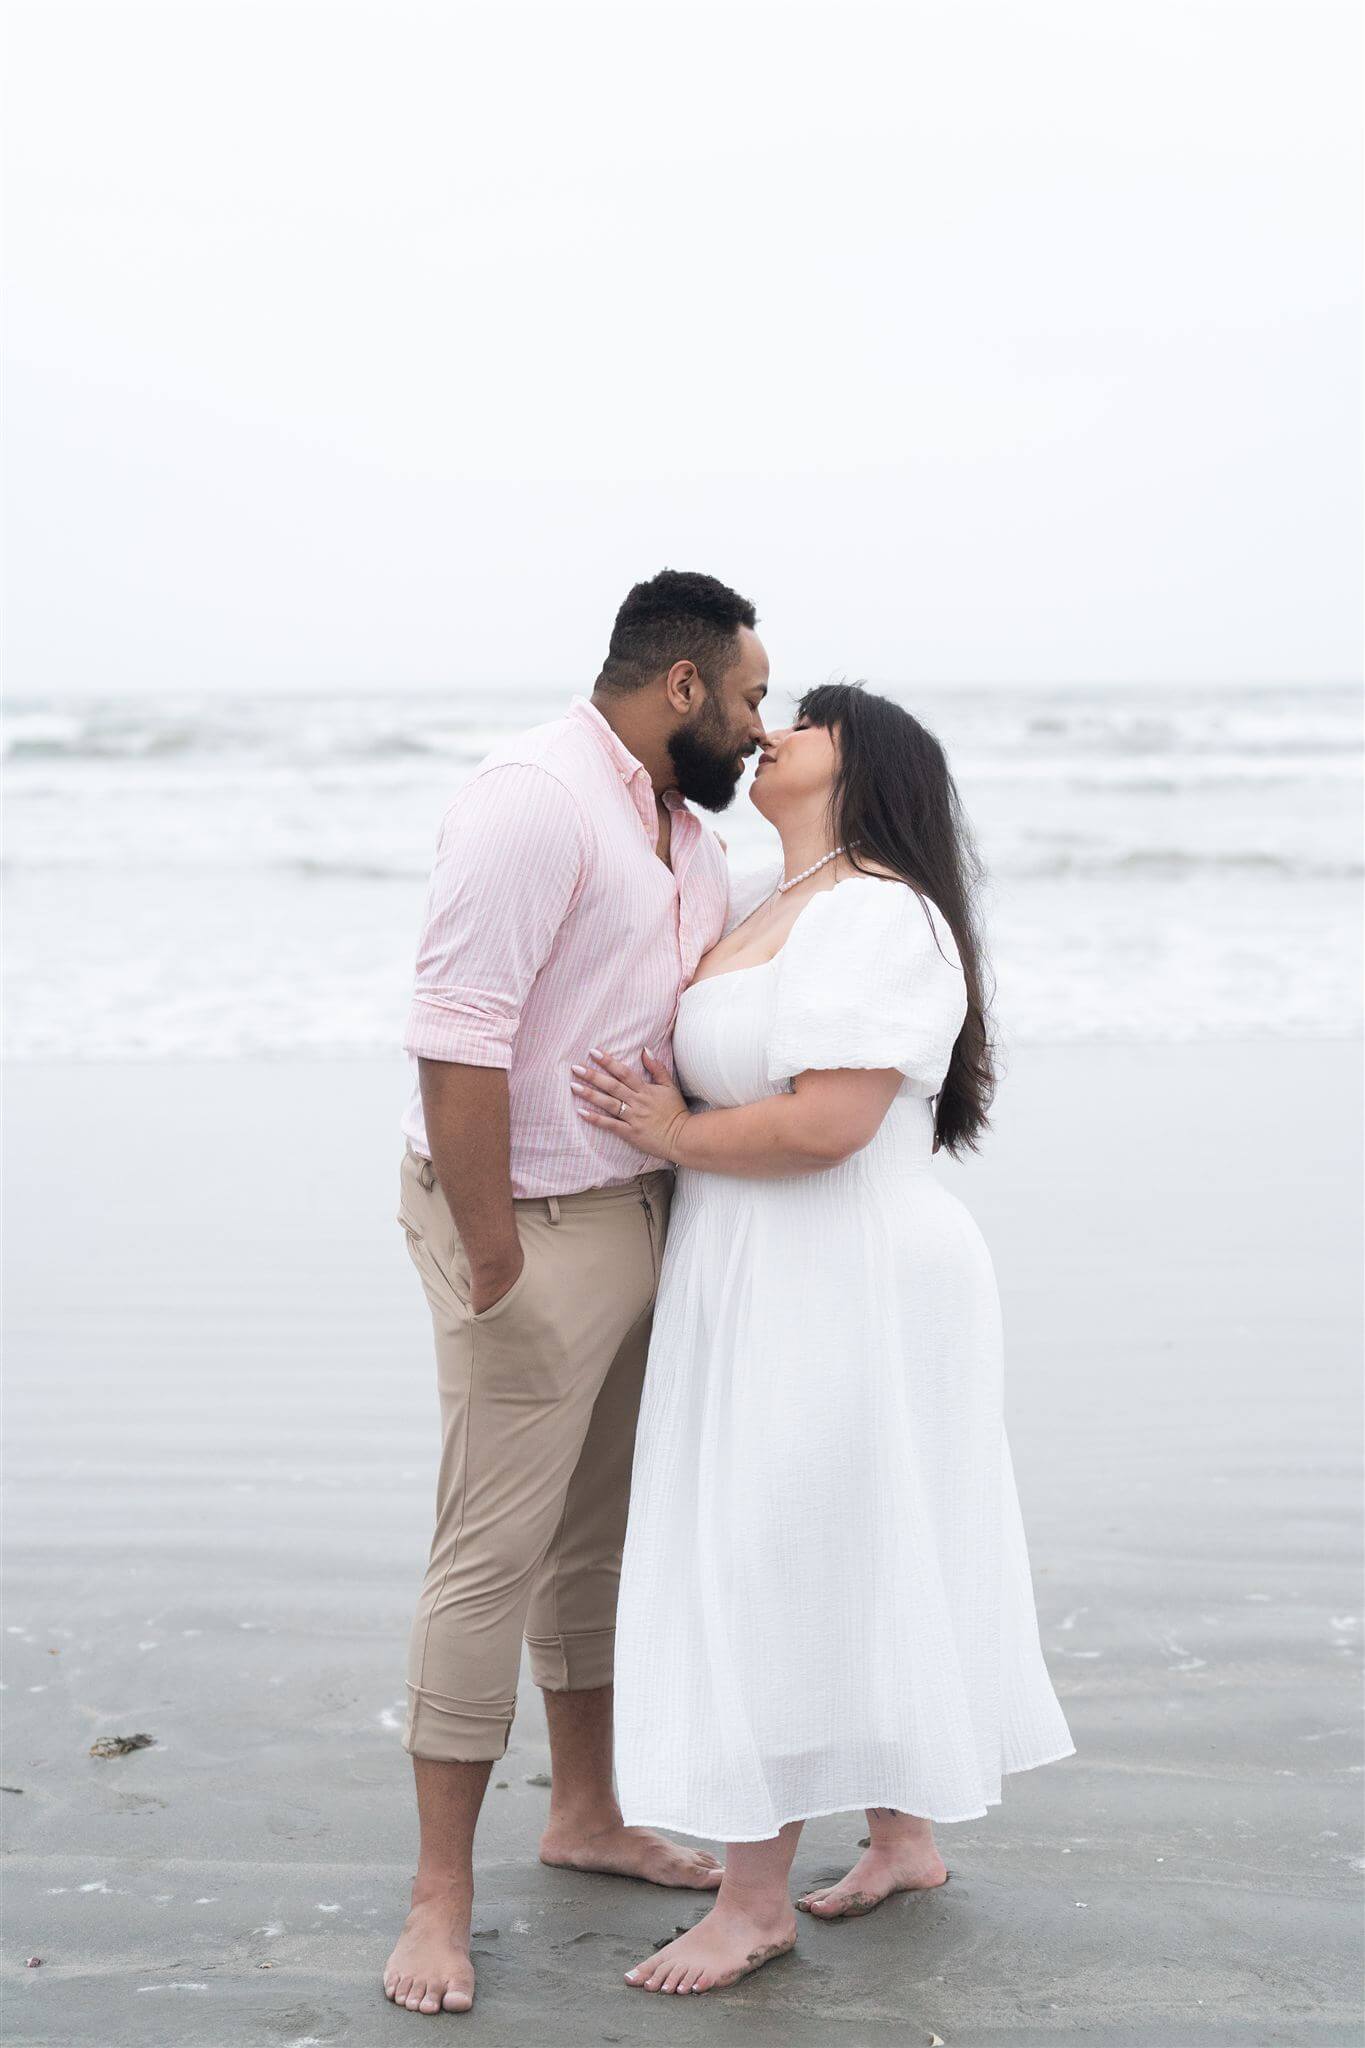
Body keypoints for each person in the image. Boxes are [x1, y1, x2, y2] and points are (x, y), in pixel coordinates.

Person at [569, 681, 1077, 1997]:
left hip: (842, 1264)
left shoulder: (879, 911)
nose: (774, 727)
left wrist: (672, 1134)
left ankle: (752, 1904)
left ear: (870, 767)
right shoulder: (765, 901)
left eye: (813, 716)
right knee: (844, 1537)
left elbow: (827, 1122)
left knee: (781, 1551)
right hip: (755, 1263)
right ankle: (901, 1838)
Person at [383, 569, 771, 2017]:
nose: (756, 726)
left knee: (595, 1531)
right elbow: (455, 1032)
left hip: (637, 1212)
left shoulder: (681, 832)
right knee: (489, 1548)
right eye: (746, 699)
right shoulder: (531, 798)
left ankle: (585, 1813)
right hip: (523, 1217)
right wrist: (495, 1262)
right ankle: (439, 1897)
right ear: (679, 688)